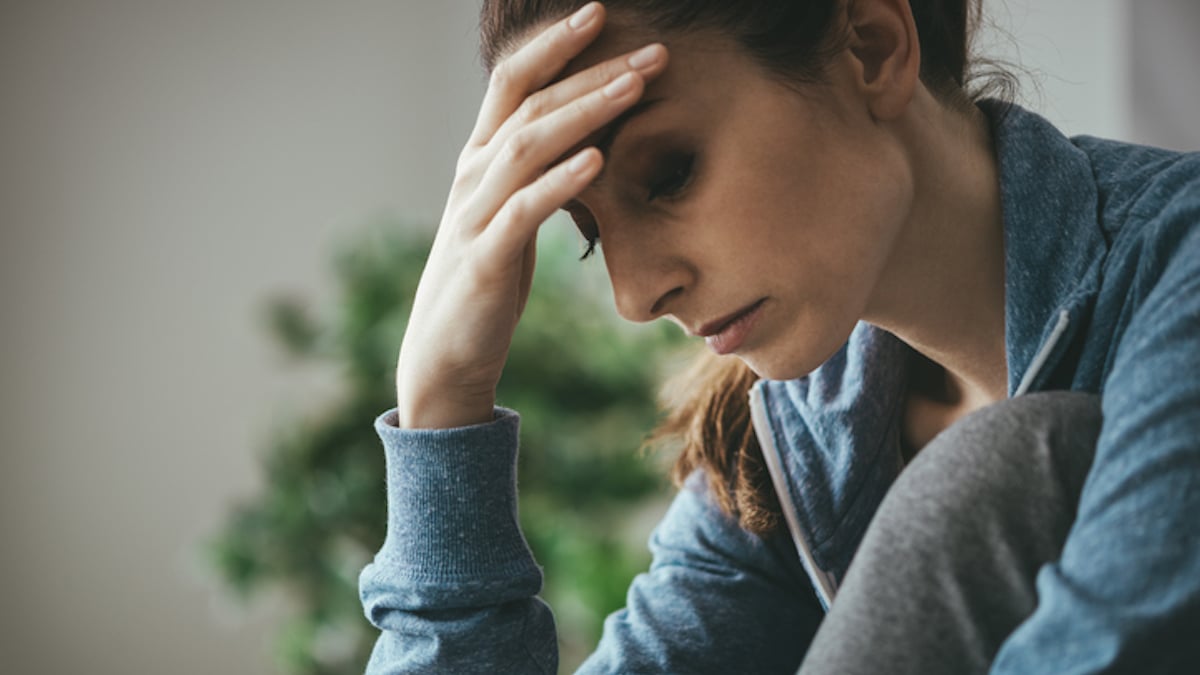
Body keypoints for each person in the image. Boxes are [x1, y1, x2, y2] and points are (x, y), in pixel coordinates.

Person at [358, 0, 1200, 672]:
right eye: (587, 229)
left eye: (670, 173)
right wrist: (443, 412)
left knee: (1010, 462)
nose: (635, 294)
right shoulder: (791, 443)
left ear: (871, 46)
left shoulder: (1180, 266)